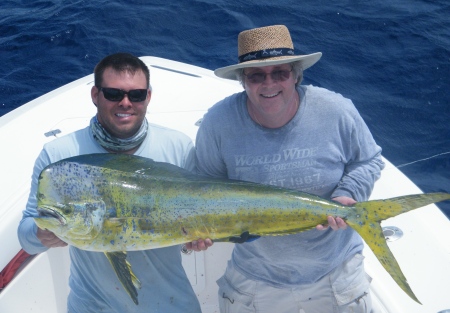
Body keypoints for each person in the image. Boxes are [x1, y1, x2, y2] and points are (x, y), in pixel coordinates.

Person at [195, 25, 385, 313]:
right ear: (242, 80)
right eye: (256, 75)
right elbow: (207, 192)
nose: (269, 84)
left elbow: (369, 160)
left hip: (335, 271)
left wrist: (348, 192)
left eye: (280, 73)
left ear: (296, 74)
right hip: (255, 278)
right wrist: (195, 237)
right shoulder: (217, 124)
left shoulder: (336, 110)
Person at [18, 53, 211, 313]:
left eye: (136, 95)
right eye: (113, 94)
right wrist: (41, 234)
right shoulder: (59, 156)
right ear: (95, 95)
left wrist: (195, 240)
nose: (125, 103)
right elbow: (26, 235)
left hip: (171, 305)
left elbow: (201, 215)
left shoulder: (178, 146)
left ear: (148, 97)